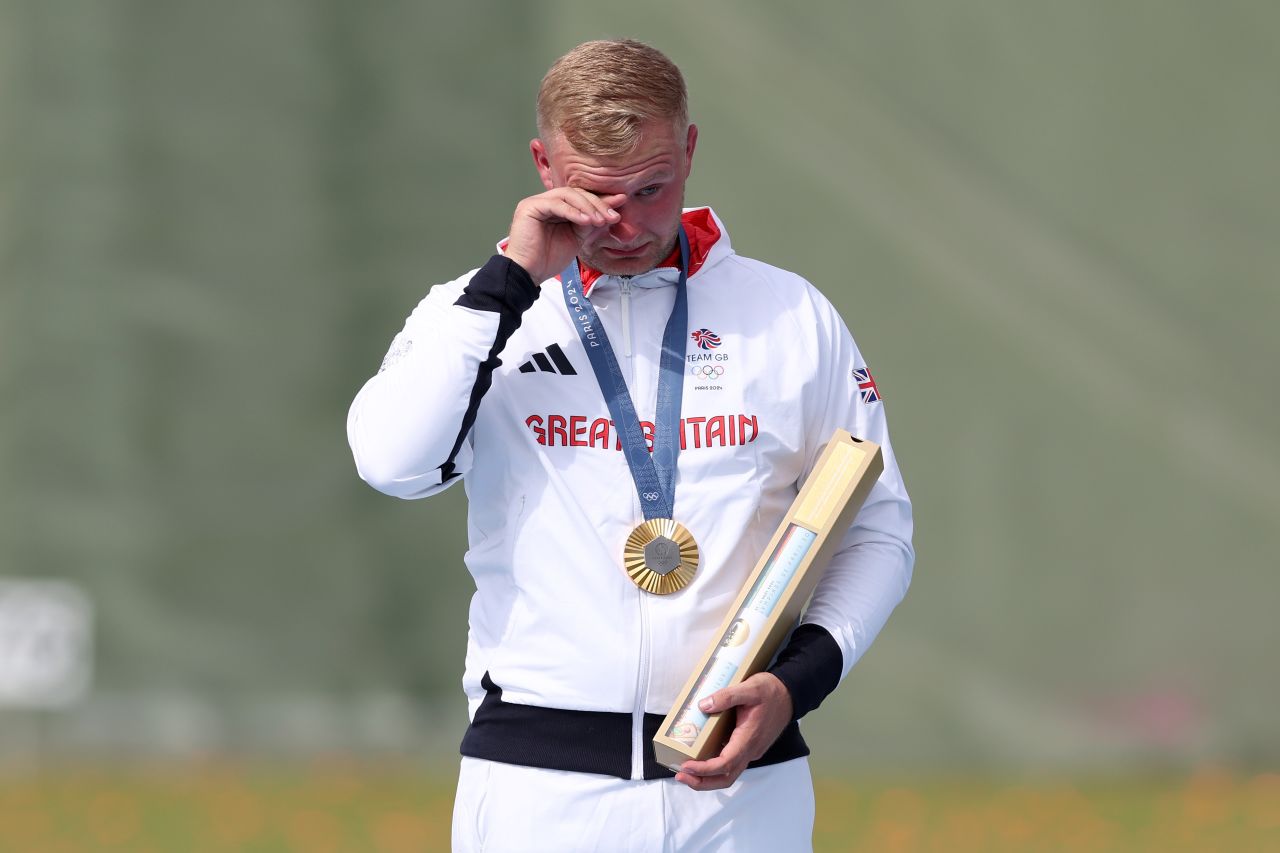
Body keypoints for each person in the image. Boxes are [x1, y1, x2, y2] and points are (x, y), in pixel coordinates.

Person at [347, 38, 913, 853]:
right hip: (540, 790)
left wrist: (798, 683)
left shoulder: (790, 314)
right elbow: (392, 463)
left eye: (652, 189)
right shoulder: (478, 312)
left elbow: (878, 530)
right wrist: (509, 284)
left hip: (742, 791)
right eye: (594, 194)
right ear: (543, 164)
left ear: (690, 150)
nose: (624, 225)